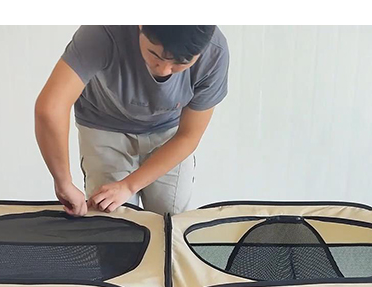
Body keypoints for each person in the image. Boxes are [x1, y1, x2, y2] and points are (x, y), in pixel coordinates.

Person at [34, 25, 229, 216]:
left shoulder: (214, 51)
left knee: (171, 217)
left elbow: (188, 135)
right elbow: (51, 109)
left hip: (170, 133)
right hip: (104, 125)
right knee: (113, 217)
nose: (163, 70)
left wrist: (128, 186)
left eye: (181, 62)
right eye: (154, 54)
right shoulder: (103, 30)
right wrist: (63, 183)